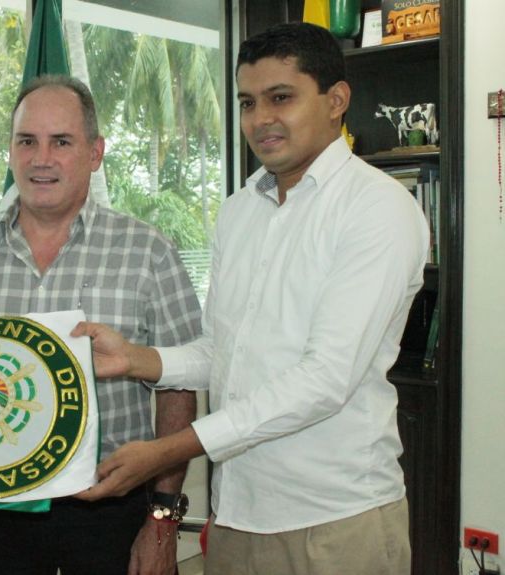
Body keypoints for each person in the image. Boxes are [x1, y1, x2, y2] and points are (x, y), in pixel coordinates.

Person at [73, 22, 429, 575]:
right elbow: (222, 351)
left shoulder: (377, 207)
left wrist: (170, 449)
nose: (260, 119)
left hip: (335, 520)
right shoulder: (240, 210)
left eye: (280, 98)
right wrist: (136, 360)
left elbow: (325, 379)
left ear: (336, 100)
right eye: (247, 102)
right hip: (238, 513)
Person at [0, 74, 202, 575]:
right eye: (27, 141)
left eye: (62, 142)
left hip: (113, 510)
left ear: (95, 153)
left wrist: (162, 519)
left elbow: (179, 390)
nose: (41, 158)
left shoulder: (148, 252)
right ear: (10, 150)